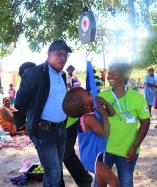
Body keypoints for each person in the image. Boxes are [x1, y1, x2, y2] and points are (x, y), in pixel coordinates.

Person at [15, 40, 72, 187]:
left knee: (55, 171)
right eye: (59, 54)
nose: (63, 58)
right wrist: (33, 115)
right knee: (54, 175)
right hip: (43, 132)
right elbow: (19, 103)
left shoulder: (63, 75)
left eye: (66, 55)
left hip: (61, 129)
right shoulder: (35, 74)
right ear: (49, 54)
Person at [99, 62, 150, 187]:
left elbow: (145, 123)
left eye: (113, 73)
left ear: (123, 76)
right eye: (109, 73)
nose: (109, 75)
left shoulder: (137, 97)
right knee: (99, 182)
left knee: (126, 183)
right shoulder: (102, 96)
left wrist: (134, 146)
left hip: (127, 150)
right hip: (105, 149)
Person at [62, 87, 119, 187]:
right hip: (93, 158)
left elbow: (113, 113)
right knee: (114, 181)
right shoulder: (88, 118)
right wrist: (104, 114)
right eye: (87, 94)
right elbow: (105, 133)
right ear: (85, 105)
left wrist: (105, 103)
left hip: (97, 155)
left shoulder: (93, 110)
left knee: (102, 183)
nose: (89, 93)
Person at [64, 66, 93, 186]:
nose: (70, 70)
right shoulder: (65, 77)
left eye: (72, 68)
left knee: (66, 153)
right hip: (54, 123)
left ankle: (84, 179)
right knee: (60, 155)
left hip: (70, 120)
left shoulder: (67, 77)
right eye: (69, 69)